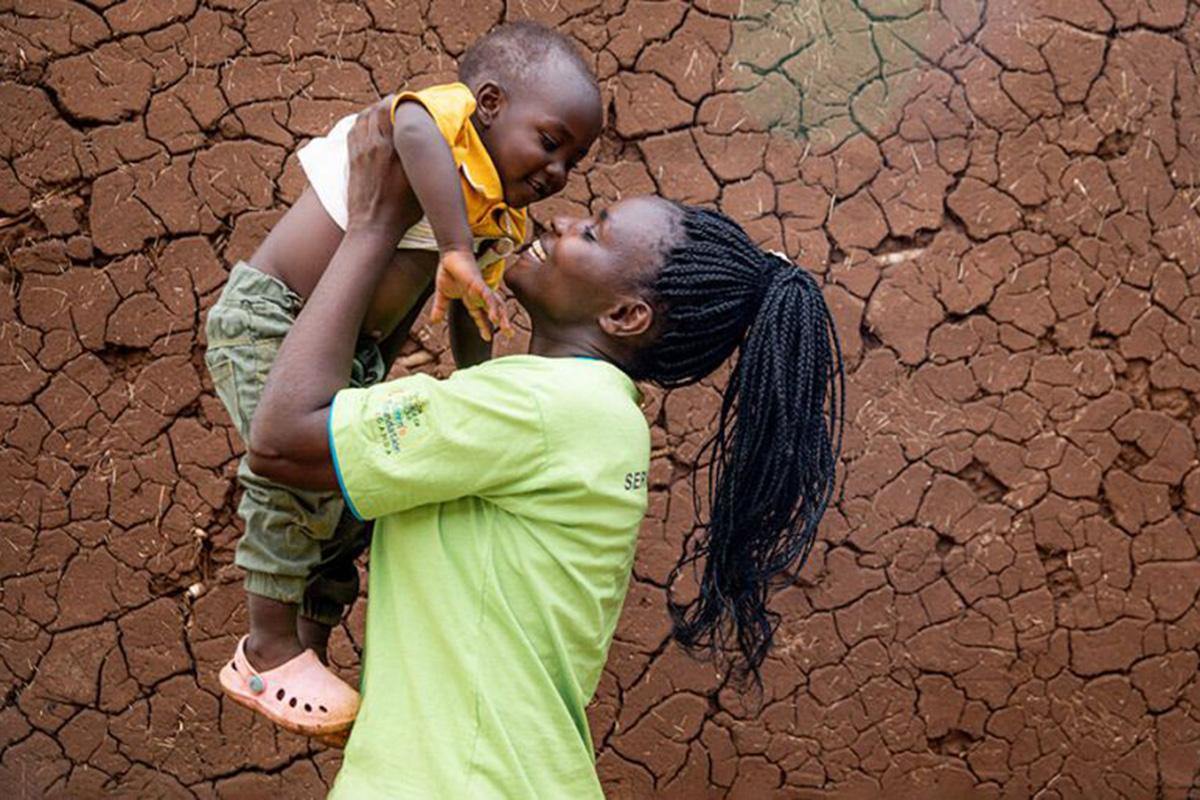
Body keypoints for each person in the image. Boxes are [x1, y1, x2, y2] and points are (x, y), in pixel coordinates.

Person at [245, 104, 844, 797]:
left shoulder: (540, 407)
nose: (562, 220)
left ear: (623, 316)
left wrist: (376, 224)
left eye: (593, 234)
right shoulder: (592, 416)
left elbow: (281, 440)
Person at [208, 20, 603, 737]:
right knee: (291, 477)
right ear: (487, 102)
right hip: (272, 318)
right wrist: (454, 245)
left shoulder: (497, 215)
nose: (558, 172)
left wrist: (480, 376)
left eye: (573, 160)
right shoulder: (441, 124)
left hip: (351, 356)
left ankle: (309, 637)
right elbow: (409, 124)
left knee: (355, 498)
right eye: (551, 142)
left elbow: (466, 307)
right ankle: (263, 646)